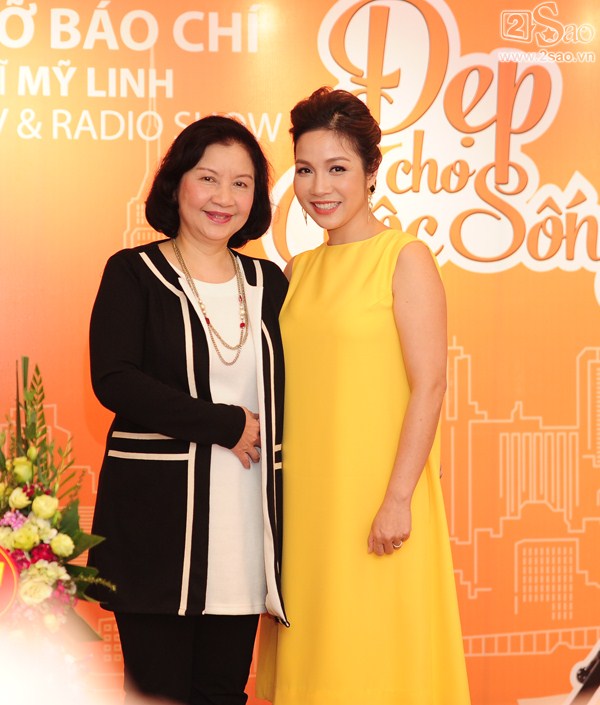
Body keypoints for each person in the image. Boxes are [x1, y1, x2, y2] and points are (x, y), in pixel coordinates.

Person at [256, 87, 471, 705]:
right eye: (305, 170)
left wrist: (398, 498)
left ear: (372, 171)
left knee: (376, 659)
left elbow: (430, 383)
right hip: (305, 504)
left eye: (337, 168)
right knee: (318, 659)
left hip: (379, 499)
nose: (319, 187)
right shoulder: (297, 270)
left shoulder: (404, 258)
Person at [88, 115, 288, 705]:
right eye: (208, 178)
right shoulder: (133, 272)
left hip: (245, 530)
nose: (224, 197)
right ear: (176, 183)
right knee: (157, 695)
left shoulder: (270, 283)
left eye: (241, 183)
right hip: (158, 533)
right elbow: (115, 380)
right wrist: (226, 424)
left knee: (223, 693)